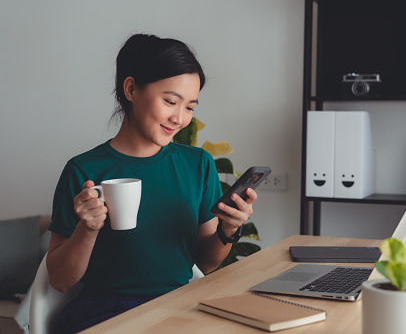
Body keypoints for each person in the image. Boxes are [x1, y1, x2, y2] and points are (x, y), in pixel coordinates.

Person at [46, 33, 257, 333]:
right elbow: (60, 280)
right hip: (107, 312)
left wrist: (229, 230)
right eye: (171, 101)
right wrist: (87, 228)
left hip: (180, 308)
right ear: (131, 89)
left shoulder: (197, 164)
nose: (180, 118)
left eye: (190, 107)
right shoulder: (84, 170)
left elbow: (207, 264)